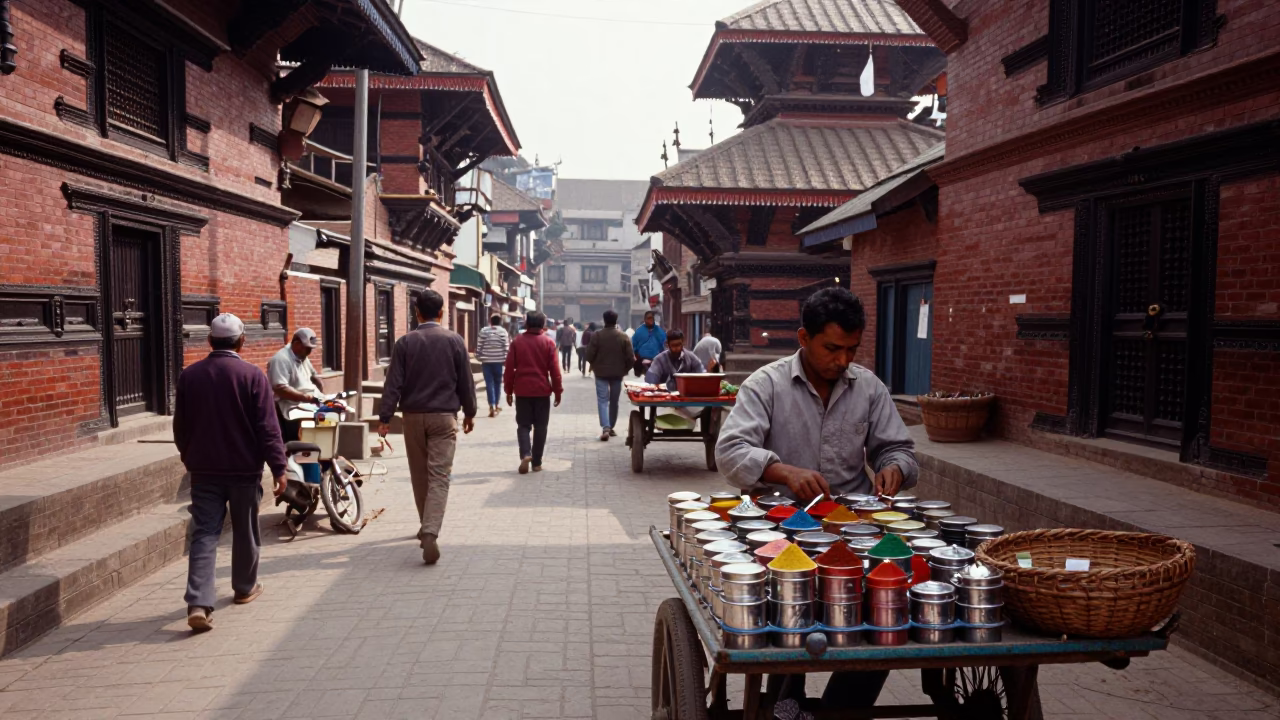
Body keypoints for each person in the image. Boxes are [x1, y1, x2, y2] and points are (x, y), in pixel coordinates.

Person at [715, 287, 918, 710]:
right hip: (781, 531)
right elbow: (730, 452)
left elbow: (898, 449)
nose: (842, 360)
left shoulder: (869, 388)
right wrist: (782, 470)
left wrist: (894, 468)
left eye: (851, 349)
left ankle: (840, 711)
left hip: (853, 531)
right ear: (803, 338)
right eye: (832, 348)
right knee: (790, 621)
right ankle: (784, 703)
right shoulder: (766, 385)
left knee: (879, 622)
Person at [174, 313, 285, 633]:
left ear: (210, 341)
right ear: (242, 341)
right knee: (246, 529)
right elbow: (268, 428)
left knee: (204, 534)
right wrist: (279, 468)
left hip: (204, 470)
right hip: (243, 469)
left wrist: (189, 458)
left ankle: (198, 602)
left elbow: (180, 426)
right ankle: (244, 587)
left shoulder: (190, 376)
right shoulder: (252, 376)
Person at [378, 289, 477, 565]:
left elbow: (393, 383)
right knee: (439, 477)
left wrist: (385, 417)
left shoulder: (404, 343)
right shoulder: (455, 341)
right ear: (442, 312)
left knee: (420, 475)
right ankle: (431, 530)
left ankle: (426, 525)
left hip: (411, 418)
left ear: (416, 312)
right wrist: (470, 412)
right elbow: (465, 382)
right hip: (444, 418)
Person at [505, 311, 563, 473]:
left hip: (522, 390)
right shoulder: (548, 343)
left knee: (523, 425)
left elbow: (509, 368)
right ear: (543, 324)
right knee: (541, 426)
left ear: (527, 324)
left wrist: (508, 390)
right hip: (542, 390)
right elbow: (554, 370)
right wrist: (557, 391)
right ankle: (536, 462)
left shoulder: (517, 342)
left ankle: (525, 453)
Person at [268, 328, 325, 485]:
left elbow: (313, 375)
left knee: (319, 443)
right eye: (307, 348)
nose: (309, 352)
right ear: (296, 343)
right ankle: (304, 481)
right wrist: (306, 397)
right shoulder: (281, 359)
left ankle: (321, 475)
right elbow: (280, 388)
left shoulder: (302, 356)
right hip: (291, 411)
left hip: (309, 407)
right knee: (302, 447)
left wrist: (320, 389)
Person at [585, 310, 632, 441]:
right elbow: (631, 358)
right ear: (616, 321)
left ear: (604, 320)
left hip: (600, 373)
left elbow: (589, 355)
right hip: (618, 374)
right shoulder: (623, 336)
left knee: (602, 400)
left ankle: (605, 427)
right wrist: (624, 370)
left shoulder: (597, 336)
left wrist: (595, 365)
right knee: (614, 401)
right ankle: (611, 427)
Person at [477, 314, 510, 418]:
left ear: (490, 321)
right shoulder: (503, 331)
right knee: (497, 383)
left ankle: (491, 405)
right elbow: (506, 347)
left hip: (486, 361)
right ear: (500, 322)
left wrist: (479, 357)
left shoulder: (483, 331)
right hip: (498, 362)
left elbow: (479, 346)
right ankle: (496, 405)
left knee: (489, 383)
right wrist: (505, 359)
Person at [630, 311, 666, 377]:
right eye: (648, 318)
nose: (650, 320)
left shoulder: (659, 331)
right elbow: (634, 345)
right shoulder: (639, 331)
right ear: (645, 319)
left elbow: (663, 344)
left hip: (656, 360)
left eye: (652, 318)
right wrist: (637, 356)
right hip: (643, 361)